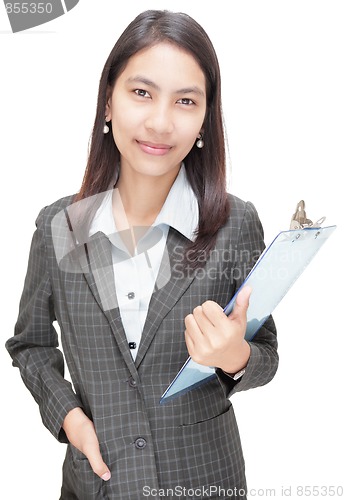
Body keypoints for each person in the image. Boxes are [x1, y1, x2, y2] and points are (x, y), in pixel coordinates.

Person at [6, 9, 278, 500]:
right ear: (107, 102)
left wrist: (233, 355)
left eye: (185, 101)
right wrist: (68, 418)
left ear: (203, 120)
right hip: (96, 484)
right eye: (141, 92)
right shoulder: (61, 226)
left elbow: (267, 354)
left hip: (205, 480)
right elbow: (31, 345)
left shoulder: (236, 224)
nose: (159, 121)